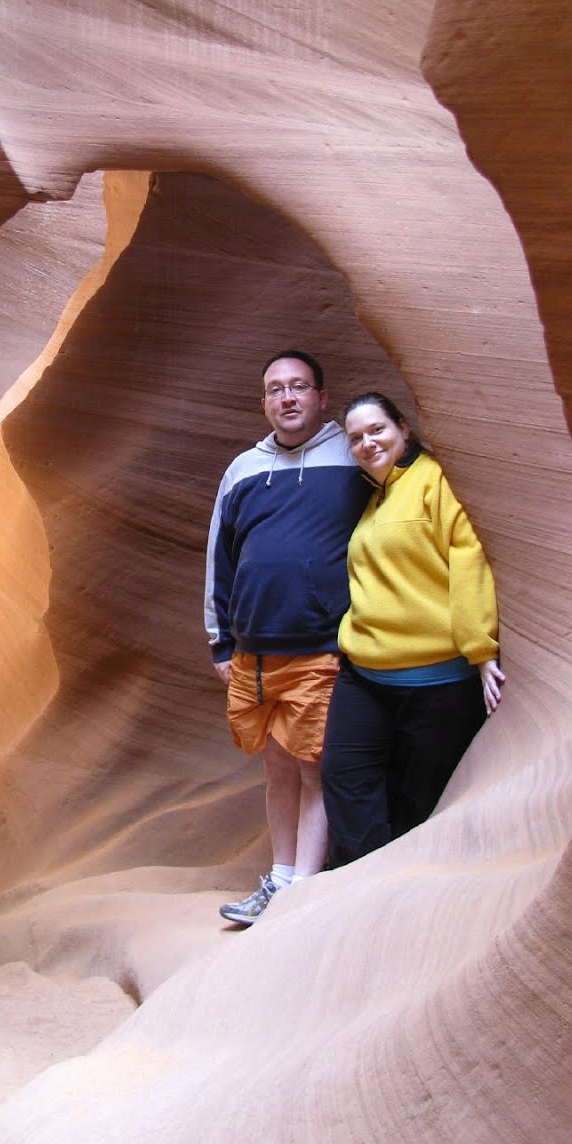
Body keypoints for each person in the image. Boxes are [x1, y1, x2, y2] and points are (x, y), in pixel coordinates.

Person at [206, 351, 370, 925]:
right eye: (276, 389)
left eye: (299, 386)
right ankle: (279, 880)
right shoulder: (243, 470)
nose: (288, 397)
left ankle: (302, 892)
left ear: (322, 397)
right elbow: (220, 560)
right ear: (264, 402)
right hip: (254, 651)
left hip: (322, 645)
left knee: (312, 767)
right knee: (276, 766)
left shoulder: (353, 457)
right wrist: (220, 640)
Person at [321, 392, 505, 866]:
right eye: (356, 438)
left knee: (421, 796)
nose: (367, 443)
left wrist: (480, 649)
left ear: (404, 428)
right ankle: (363, 883)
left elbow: (466, 559)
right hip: (364, 672)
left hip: (437, 678)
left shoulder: (434, 481)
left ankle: (409, 895)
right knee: (345, 777)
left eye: (377, 430)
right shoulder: (372, 497)